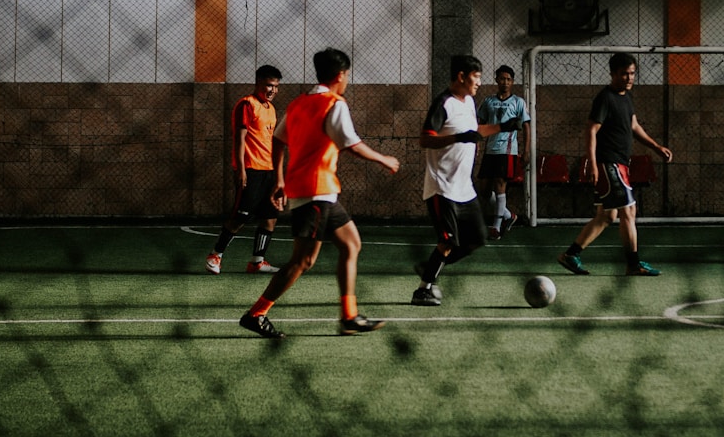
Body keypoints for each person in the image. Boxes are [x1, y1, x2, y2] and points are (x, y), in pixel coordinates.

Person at [238, 48, 400, 338]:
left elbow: (278, 140)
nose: (347, 80)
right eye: (347, 75)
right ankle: (256, 313)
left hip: (321, 193)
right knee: (303, 261)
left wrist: (279, 180)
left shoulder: (299, 103)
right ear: (340, 75)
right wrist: (384, 158)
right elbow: (351, 144)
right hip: (315, 192)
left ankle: (349, 315)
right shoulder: (333, 104)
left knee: (351, 244)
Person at [412, 55, 516, 306]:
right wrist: (457, 138)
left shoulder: (469, 101)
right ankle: (423, 289)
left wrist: (502, 127)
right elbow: (426, 140)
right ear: (461, 76)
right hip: (442, 186)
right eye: (476, 77)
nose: (479, 82)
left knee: (477, 239)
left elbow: (475, 131)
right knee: (448, 240)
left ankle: (429, 266)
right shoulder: (443, 104)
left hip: (464, 189)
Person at [556, 52, 672, 277]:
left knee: (607, 216)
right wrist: (592, 163)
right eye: (624, 74)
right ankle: (633, 263)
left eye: (632, 74)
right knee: (629, 210)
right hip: (609, 163)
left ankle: (571, 254)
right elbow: (591, 130)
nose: (629, 78)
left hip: (620, 164)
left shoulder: (626, 98)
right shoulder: (605, 98)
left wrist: (656, 147)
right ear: (612, 73)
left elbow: (634, 126)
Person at [207, 65, 284, 275]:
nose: (273, 90)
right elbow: (239, 140)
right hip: (251, 170)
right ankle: (216, 255)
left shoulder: (271, 108)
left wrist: (278, 174)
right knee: (240, 217)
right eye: (269, 85)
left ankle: (257, 262)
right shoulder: (246, 104)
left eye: (276, 86)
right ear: (258, 82)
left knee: (270, 218)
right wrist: (240, 169)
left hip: (268, 170)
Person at [478, 64, 530, 239]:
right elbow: (480, 124)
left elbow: (526, 126)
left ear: (512, 82)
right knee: (484, 190)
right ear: (496, 80)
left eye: (508, 79)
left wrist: (526, 149)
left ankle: (496, 227)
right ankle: (508, 215)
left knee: (500, 185)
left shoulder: (518, 102)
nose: (505, 82)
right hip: (490, 150)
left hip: (507, 150)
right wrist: (475, 143)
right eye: (502, 78)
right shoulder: (488, 102)